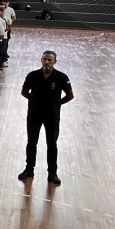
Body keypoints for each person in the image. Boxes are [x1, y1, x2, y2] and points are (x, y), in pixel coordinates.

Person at [19, 51, 74, 185]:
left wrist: (56, 104)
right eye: (45, 59)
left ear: (55, 61)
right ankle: (29, 169)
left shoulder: (61, 77)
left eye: (50, 60)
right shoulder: (32, 76)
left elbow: (70, 95)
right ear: (41, 60)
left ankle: (52, 173)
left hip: (52, 116)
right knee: (31, 142)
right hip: (34, 115)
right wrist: (34, 101)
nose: (47, 62)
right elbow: (24, 92)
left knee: (52, 144)